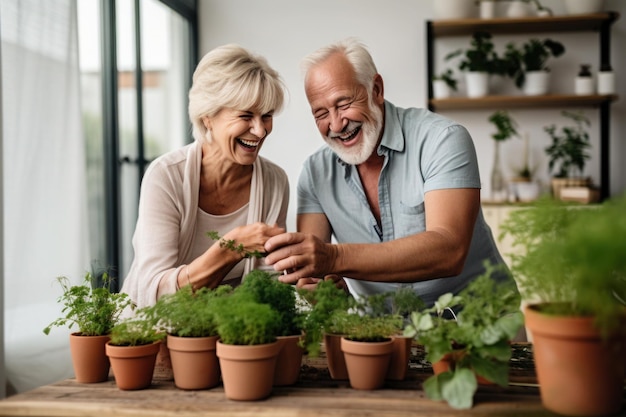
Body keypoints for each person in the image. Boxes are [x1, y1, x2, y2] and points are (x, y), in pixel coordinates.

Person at [264, 38, 517, 308]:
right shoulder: (315, 174)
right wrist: (326, 289)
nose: (336, 123)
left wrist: (335, 258)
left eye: (344, 103)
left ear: (377, 89)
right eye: (321, 113)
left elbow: (449, 250)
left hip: (482, 324)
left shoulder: (442, 139)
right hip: (385, 334)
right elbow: (316, 274)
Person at [121, 44, 289, 309]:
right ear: (208, 117)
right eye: (246, 115)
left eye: (266, 116)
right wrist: (230, 248)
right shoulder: (166, 177)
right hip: (150, 334)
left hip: (230, 332)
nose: (260, 130)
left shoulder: (275, 182)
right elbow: (153, 293)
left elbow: (267, 284)